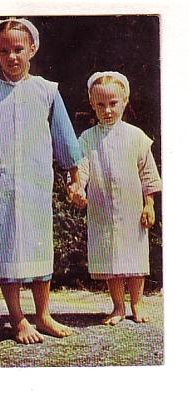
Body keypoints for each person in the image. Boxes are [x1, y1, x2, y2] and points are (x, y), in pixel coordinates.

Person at [0, 18, 83, 344]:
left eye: (18, 49)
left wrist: (74, 178)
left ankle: (42, 314)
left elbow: (65, 138)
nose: (12, 56)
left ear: (32, 49)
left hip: (36, 184)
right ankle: (17, 318)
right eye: (4, 51)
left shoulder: (47, 91)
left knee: (39, 245)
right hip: (1, 187)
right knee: (5, 245)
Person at [70, 71, 162, 325]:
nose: (107, 110)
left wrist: (150, 204)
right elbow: (82, 169)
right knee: (109, 257)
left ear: (125, 101)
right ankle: (118, 307)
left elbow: (148, 173)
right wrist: (77, 188)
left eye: (113, 103)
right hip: (102, 209)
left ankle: (137, 304)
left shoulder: (137, 137)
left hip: (132, 209)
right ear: (92, 104)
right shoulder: (87, 139)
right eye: (101, 105)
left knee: (135, 257)